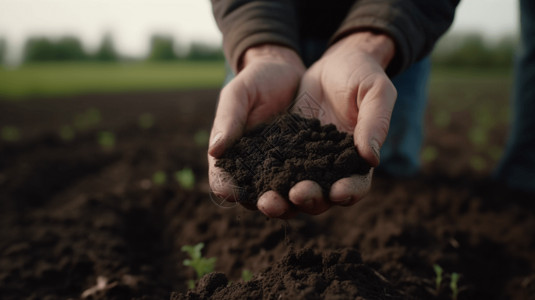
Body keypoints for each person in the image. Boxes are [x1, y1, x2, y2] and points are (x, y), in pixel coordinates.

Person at [208, 0, 459, 219]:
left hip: (393, 30)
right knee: (246, 190)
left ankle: (389, 239)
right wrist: (263, 49)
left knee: (394, 179)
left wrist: (370, 41)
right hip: (266, 27)